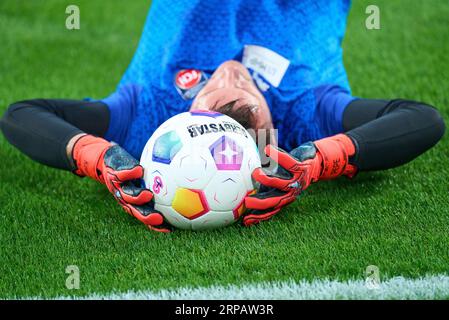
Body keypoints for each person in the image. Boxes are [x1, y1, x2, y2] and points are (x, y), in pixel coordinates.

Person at [0, 0, 445, 232]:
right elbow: (422, 118)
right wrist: (325, 157)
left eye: (215, 94)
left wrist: (98, 158)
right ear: (271, 125)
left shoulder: (144, 114)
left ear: (191, 115)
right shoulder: (309, 110)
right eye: (246, 92)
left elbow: (23, 114)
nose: (231, 74)